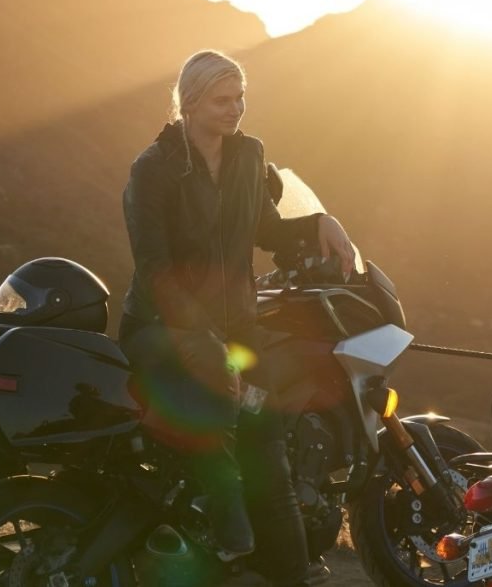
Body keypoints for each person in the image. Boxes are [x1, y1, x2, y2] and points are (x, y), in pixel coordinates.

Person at [119, 49, 355, 584]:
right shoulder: (153, 168)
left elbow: (266, 230)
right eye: (223, 100)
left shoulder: (249, 156)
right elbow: (154, 267)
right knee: (212, 422)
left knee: (267, 438)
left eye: (240, 98)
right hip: (165, 328)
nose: (235, 110)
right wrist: (201, 342)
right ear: (191, 102)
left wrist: (321, 221)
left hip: (235, 332)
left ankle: (287, 573)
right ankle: (227, 542)